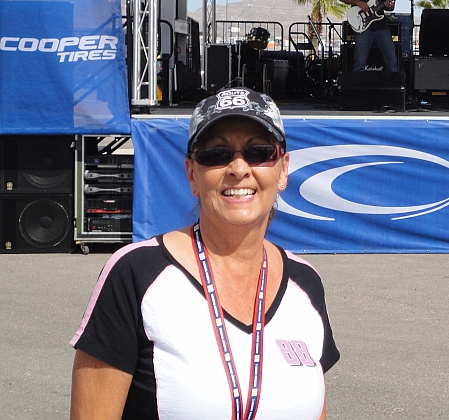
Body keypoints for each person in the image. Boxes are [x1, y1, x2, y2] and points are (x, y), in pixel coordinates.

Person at [70, 87, 339, 420]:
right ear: (191, 174)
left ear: (283, 169)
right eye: (215, 154)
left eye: (258, 152)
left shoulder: (305, 282)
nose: (238, 168)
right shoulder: (136, 274)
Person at [338, 0, 398, 72]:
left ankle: (393, 82)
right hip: (362, 26)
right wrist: (357, 2)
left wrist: (390, 6)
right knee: (360, 62)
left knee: (391, 59)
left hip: (381, 25)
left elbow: (389, 6)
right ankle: (358, 83)